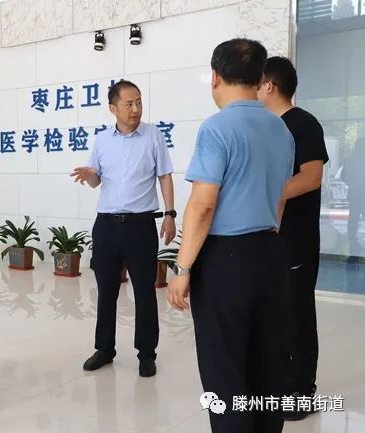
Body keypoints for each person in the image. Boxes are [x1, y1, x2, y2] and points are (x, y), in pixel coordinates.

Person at [167, 39, 295, 433]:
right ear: (259, 80)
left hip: (226, 261)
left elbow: (203, 204)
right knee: (267, 364)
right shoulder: (281, 129)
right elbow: (280, 199)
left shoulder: (216, 128)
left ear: (215, 77)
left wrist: (182, 268)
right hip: (271, 253)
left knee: (225, 372)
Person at [71, 79, 176, 378]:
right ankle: (104, 349)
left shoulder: (153, 135)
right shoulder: (102, 140)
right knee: (106, 291)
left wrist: (170, 214)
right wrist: (89, 174)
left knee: (144, 292)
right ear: (113, 108)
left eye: (139, 102)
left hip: (140, 226)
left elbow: (165, 176)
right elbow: (96, 181)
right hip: (106, 225)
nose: (136, 109)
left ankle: (146, 353)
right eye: (129, 103)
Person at [257, 56, 329, 421]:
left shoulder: (303, 123)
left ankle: (302, 390)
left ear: (269, 86)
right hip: (268, 237)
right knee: (276, 313)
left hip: (296, 238)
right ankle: (280, 381)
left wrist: (271, 193)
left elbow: (311, 177)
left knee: (297, 313)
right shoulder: (266, 127)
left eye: (256, 84)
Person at [344, 137, 365, 258]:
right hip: (361, 193)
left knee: (353, 218)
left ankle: (353, 241)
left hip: (354, 193)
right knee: (354, 217)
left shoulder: (348, 158)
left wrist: (351, 184)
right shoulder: (358, 158)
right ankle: (353, 242)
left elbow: (344, 176)